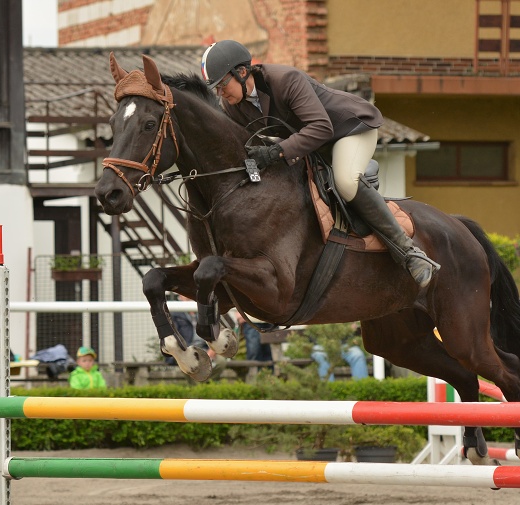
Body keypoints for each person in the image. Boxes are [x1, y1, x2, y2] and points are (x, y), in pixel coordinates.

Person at [200, 40, 439, 288]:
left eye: (222, 84)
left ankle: (409, 253)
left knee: (345, 183)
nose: (220, 93)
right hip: (312, 145)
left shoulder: (285, 80)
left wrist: (276, 152)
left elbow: (321, 127)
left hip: (348, 129)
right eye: (216, 89)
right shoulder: (233, 107)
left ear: (241, 72)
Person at [165, 295, 216, 365]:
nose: (188, 295)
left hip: (204, 349)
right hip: (185, 351)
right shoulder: (174, 313)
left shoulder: (203, 311)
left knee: (220, 362)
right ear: (179, 295)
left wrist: (212, 349)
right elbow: (173, 338)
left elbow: (212, 332)